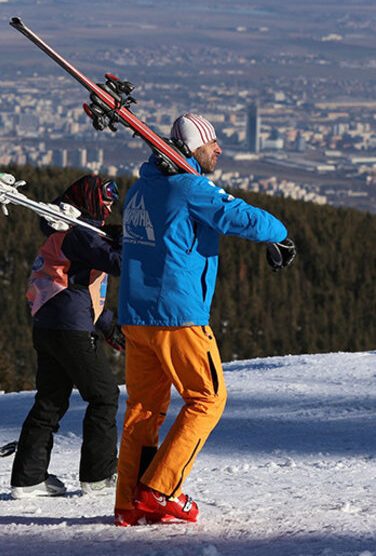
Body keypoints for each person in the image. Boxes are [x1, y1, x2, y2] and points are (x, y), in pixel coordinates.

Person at [114, 113, 295, 526]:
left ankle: (129, 503)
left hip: (136, 316)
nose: (218, 150)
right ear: (192, 149)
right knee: (208, 399)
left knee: (144, 409)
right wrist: (280, 234)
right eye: (212, 144)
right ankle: (160, 489)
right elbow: (239, 216)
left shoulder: (139, 190)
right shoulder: (190, 187)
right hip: (177, 316)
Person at [10, 175, 123, 499]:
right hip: (71, 329)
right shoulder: (80, 234)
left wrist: (107, 324)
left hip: (49, 325)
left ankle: (29, 478)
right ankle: (98, 476)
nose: (110, 203)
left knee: (50, 401)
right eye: (105, 196)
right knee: (104, 396)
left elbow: (80, 286)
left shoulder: (67, 233)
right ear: (89, 200)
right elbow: (118, 263)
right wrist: (128, 241)